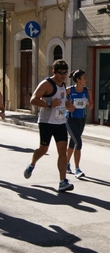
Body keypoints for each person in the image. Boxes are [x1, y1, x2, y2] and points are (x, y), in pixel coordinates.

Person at [23, 59, 75, 192]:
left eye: (65, 73)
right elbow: (33, 99)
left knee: (62, 151)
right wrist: (49, 104)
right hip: (46, 122)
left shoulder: (64, 86)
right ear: (54, 71)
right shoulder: (47, 84)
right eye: (60, 72)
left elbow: (66, 104)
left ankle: (62, 181)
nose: (63, 75)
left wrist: (69, 107)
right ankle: (32, 163)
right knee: (43, 149)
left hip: (60, 122)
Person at [65, 70, 94, 179]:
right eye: (84, 78)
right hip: (70, 119)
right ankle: (77, 169)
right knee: (78, 143)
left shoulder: (88, 91)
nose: (86, 80)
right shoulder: (69, 90)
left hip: (82, 119)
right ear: (78, 80)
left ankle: (67, 164)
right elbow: (62, 101)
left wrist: (89, 103)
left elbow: (91, 105)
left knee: (73, 142)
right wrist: (68, 106)